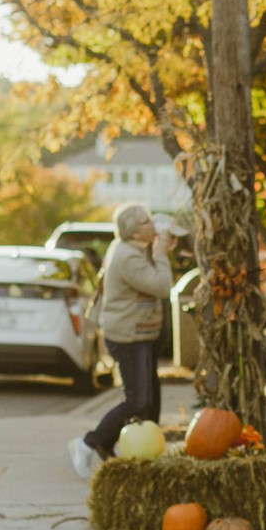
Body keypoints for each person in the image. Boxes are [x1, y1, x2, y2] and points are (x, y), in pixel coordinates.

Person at [71, 203, 173, 479]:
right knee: (138, 401)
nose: (152, 225)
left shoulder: (135, 251)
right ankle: (87, 443)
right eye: (146, 222)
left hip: (141, 335)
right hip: (129, 338)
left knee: (151, 404)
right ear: (132, 231)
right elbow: (161, 286)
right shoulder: (128, 256)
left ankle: (129, 453)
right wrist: (162, 253)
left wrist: (158, 250)